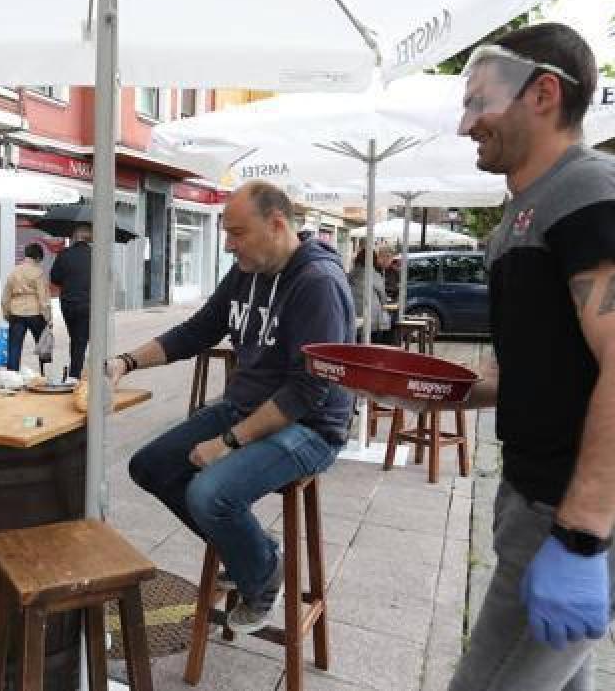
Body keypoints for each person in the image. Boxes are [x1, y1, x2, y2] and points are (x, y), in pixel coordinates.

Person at [447, 23, 615, 691]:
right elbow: (543, 366)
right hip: (534, 498)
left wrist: (579, 539)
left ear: (543, 94)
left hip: (590, 515)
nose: (465, 125)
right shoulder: (524, 216)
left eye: (479, 100)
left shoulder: (593, 190)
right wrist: (449, 389)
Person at [110, 181, 355, 632]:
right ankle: (256, 553)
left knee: (211, 494)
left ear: (276, 224)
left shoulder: (317, 282)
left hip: (312, 425)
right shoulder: (248, 271)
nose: (228, 244)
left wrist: (227, 443)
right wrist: (125, 362)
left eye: (237, 232)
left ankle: (261, 576)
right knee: (151, 466)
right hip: (246, 406)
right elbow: (200, 329)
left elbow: (307, 393)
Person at [49, 223, 92, 378]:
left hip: (67, 305)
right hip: (87, 304)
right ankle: (75, 375)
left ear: (75, 237)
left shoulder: (64, 254)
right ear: (89, 238)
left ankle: (75, 370)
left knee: (75, 338)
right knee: (80, 340)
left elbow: (54, 277)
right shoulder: (96, 255)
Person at [2, 242, 52, 371]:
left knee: (14, 347)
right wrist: (48, 318)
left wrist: (7, 313)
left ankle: (11, 376)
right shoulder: (38, 272)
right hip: (35, 313)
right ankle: (45, 374)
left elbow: (6, 296)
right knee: (43, 345)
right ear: (37, 257)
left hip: (16, 313)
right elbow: (43, 298)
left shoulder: (14, 271)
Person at [347, 246, 392, 343]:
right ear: (373, 260)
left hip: (352, 318)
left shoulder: (350, 274)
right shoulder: (374, 274)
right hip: (373, 321)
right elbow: (383, 299)